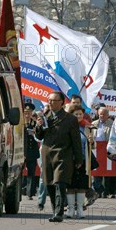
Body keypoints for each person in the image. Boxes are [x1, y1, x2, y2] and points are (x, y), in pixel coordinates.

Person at [35, 91, 83, 222]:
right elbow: (39, 136)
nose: (50, 103)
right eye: (49, 100)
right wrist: (39, 126)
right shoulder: (45, 116)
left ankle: (59, 212)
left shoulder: (70, 119)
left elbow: (76, 140)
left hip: (63, 154)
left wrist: (79, 158)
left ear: (61, 102)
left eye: (54, 101)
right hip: (47, 154)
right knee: (49, 183)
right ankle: (54, 210)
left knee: (60, 183)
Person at [66, 105, 93, 219]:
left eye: (80, 114)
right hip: (69, 160)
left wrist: (91, 141)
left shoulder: (87, 127)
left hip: (83, 160)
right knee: (70, 185)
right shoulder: (67, 126)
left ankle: (80, 208)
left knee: (82, 185)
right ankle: (71, 208)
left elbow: (93, 145)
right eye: (75, 114)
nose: (78, 116)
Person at [91, 106, 114, 198]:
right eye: (100, 114)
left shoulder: (112, 124)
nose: (102, 116)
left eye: (104, 114)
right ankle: (97, 191)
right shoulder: (93, 124)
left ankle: (106, 191)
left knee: (107, 171)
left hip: (107, 149)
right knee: (96, 170)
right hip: (96, 149)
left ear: (108, 115)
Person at [23, 102, 40, 201]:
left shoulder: (34, 123)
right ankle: (20, 190)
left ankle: (30, 192)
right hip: (21, 151)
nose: (27, 115)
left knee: (31, 172)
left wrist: (35, 132)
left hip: (32, 151)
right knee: (19, 172)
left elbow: (40, 135)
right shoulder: (19, 122)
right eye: (25, 112)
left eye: (29, 113)